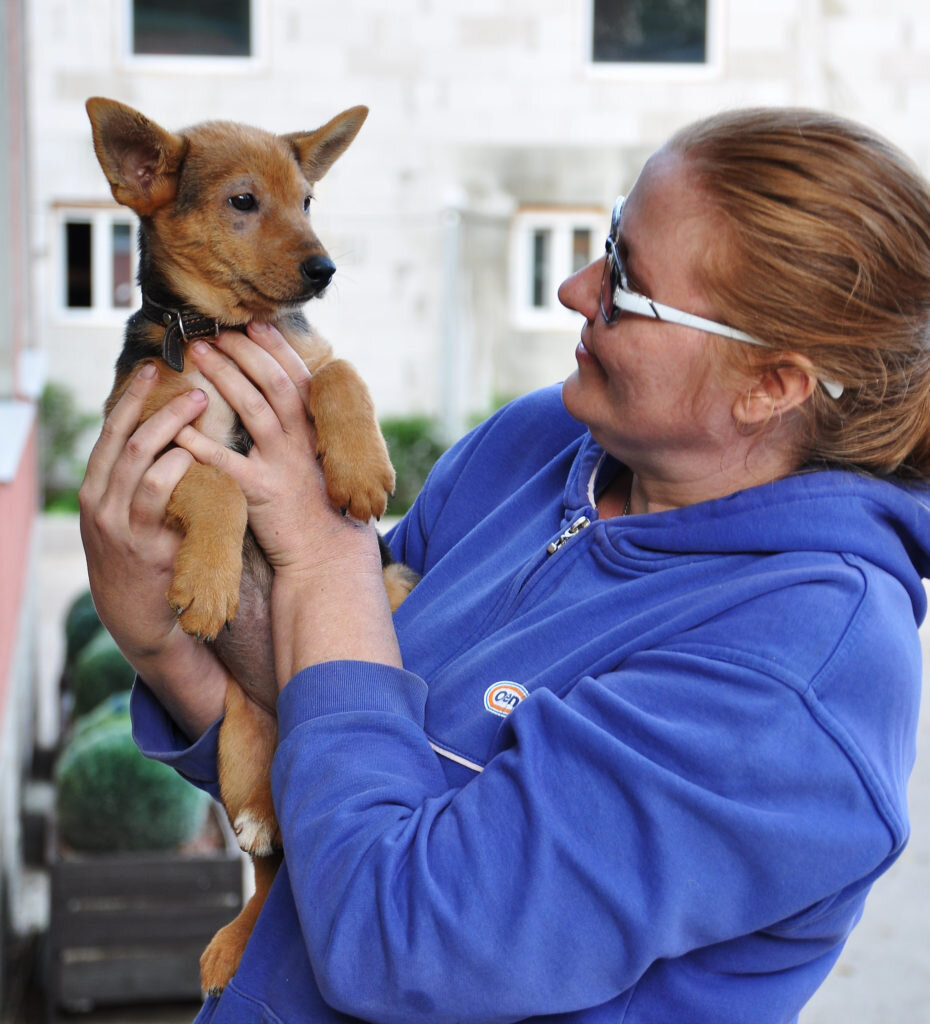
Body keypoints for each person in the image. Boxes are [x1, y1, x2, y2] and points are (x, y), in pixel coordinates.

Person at [79, 107, 930, 1024]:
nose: (573, 287)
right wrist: (167, 652)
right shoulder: (543, 442)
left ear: (774, 384)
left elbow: (398, 944)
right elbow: (334, 735)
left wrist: (328, 561)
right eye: (607, 240)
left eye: (628, 284)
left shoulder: (794, 679)